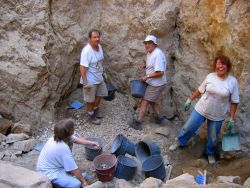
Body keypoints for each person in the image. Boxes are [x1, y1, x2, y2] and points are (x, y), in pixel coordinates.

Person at [169, 55, 240, 164]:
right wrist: (190, 99)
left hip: (218, 115)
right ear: (215, 65)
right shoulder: (210, 76)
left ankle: (210, 153)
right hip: (201, 109)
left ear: (227, 66)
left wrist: (231, 118)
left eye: (223, 64)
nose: (220, 66)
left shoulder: (232, 82)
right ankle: (180, 141)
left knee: (213, 137)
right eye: (218, 64)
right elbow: (200, 90)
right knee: (188, 127)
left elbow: (234, 101)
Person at [36, 118, 99, 188]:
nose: (74, 128)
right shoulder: (62, 148)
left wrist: (91, 143)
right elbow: (74, 169)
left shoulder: (60, 137)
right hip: (48, 172)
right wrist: (84, 182)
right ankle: (55, 183)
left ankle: (67, 174)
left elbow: (76, 139)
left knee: (77, 174)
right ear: (68, 132)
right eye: (73, 128)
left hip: (54, 165)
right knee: (76, 184)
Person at [128, 35, 167, 130]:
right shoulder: (150, 53)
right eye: (146, 43)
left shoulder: (158, 54)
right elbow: (153, 65)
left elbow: (160, 72)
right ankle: (160, 118)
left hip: (156, 84)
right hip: (153, 83)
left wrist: (147, 76)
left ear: (154, 44)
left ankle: (138, 122)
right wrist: (145, 66)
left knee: (145, 101)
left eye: (149, 43)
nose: (147, 45)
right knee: (152, 101)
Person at [80, 29, 108, 125]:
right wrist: (85, 82)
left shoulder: (99, 47)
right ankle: (91, 116)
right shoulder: (86, 51)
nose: (97, 39)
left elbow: (100, 62)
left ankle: (94, 111)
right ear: (90, 39)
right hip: (90, 79)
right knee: (90, 100)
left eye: (98, 37)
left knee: (100, 95)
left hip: (99, 77)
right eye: (94, 37)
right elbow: (82, 67)